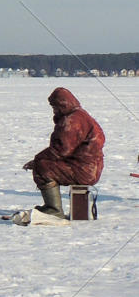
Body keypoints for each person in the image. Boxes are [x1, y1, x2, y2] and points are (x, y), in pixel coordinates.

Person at [21, 87, 104, 220]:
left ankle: (53, 209)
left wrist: (37, 160)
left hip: (83, 170)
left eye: (55, 107)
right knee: (43, 163)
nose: (54, 110)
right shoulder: (81, 115)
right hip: (89, 167)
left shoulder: (72, 120)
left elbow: (60, 149)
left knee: (42, 167)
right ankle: (54, 208)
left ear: (63, 105)